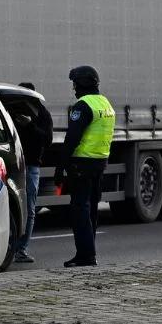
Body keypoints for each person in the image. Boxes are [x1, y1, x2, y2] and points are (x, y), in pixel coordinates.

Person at [54, 65, 115, 267]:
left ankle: (85, 255)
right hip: (100, 163)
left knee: (80, 209)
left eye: (75, 84)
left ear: (83, 83)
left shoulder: (82, 106)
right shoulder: (105, 103)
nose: (74, 89)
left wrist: (60, 166)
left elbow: (72, 138)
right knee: (92, 210)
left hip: (82, 163)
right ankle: (90, 252)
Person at [12, 82, 52, 264]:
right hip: (13, 164)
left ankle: (21, 249)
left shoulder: (41, 114)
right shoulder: (11, 110)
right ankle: (12, 248)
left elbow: (47, 139)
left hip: (31, 165)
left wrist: (29, 125)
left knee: (29, 208)